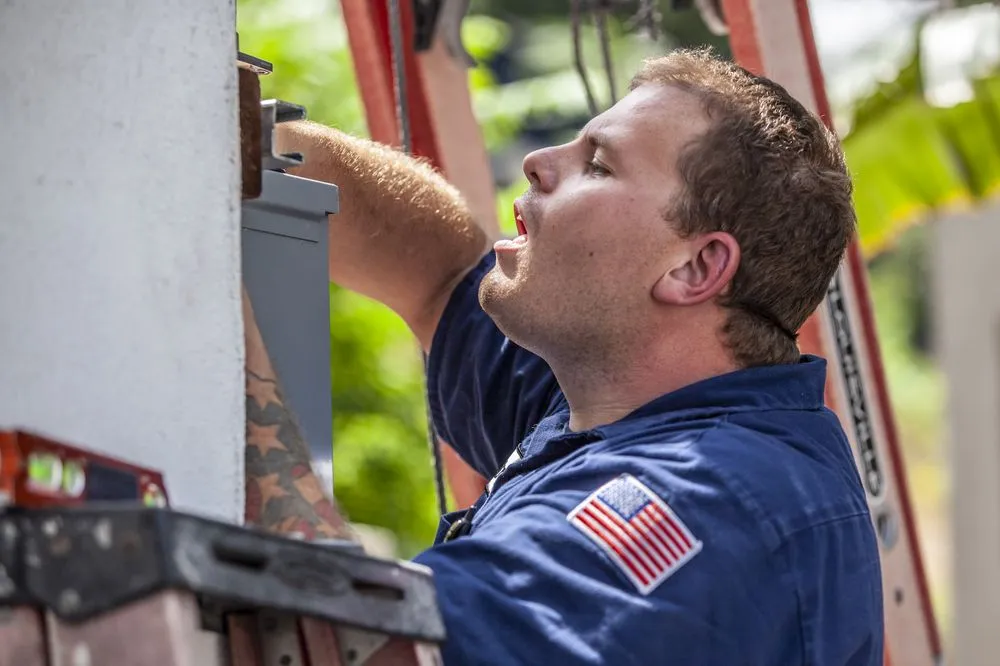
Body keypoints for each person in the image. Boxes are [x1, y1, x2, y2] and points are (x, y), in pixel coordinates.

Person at [241, 49, 884, 665]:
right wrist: (250, 141)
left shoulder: (706, 499)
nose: (537, 160)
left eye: (599, 165)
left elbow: (358, 649)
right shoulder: (618, 396)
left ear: (696, 267)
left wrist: (222, 340)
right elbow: (435, 268)